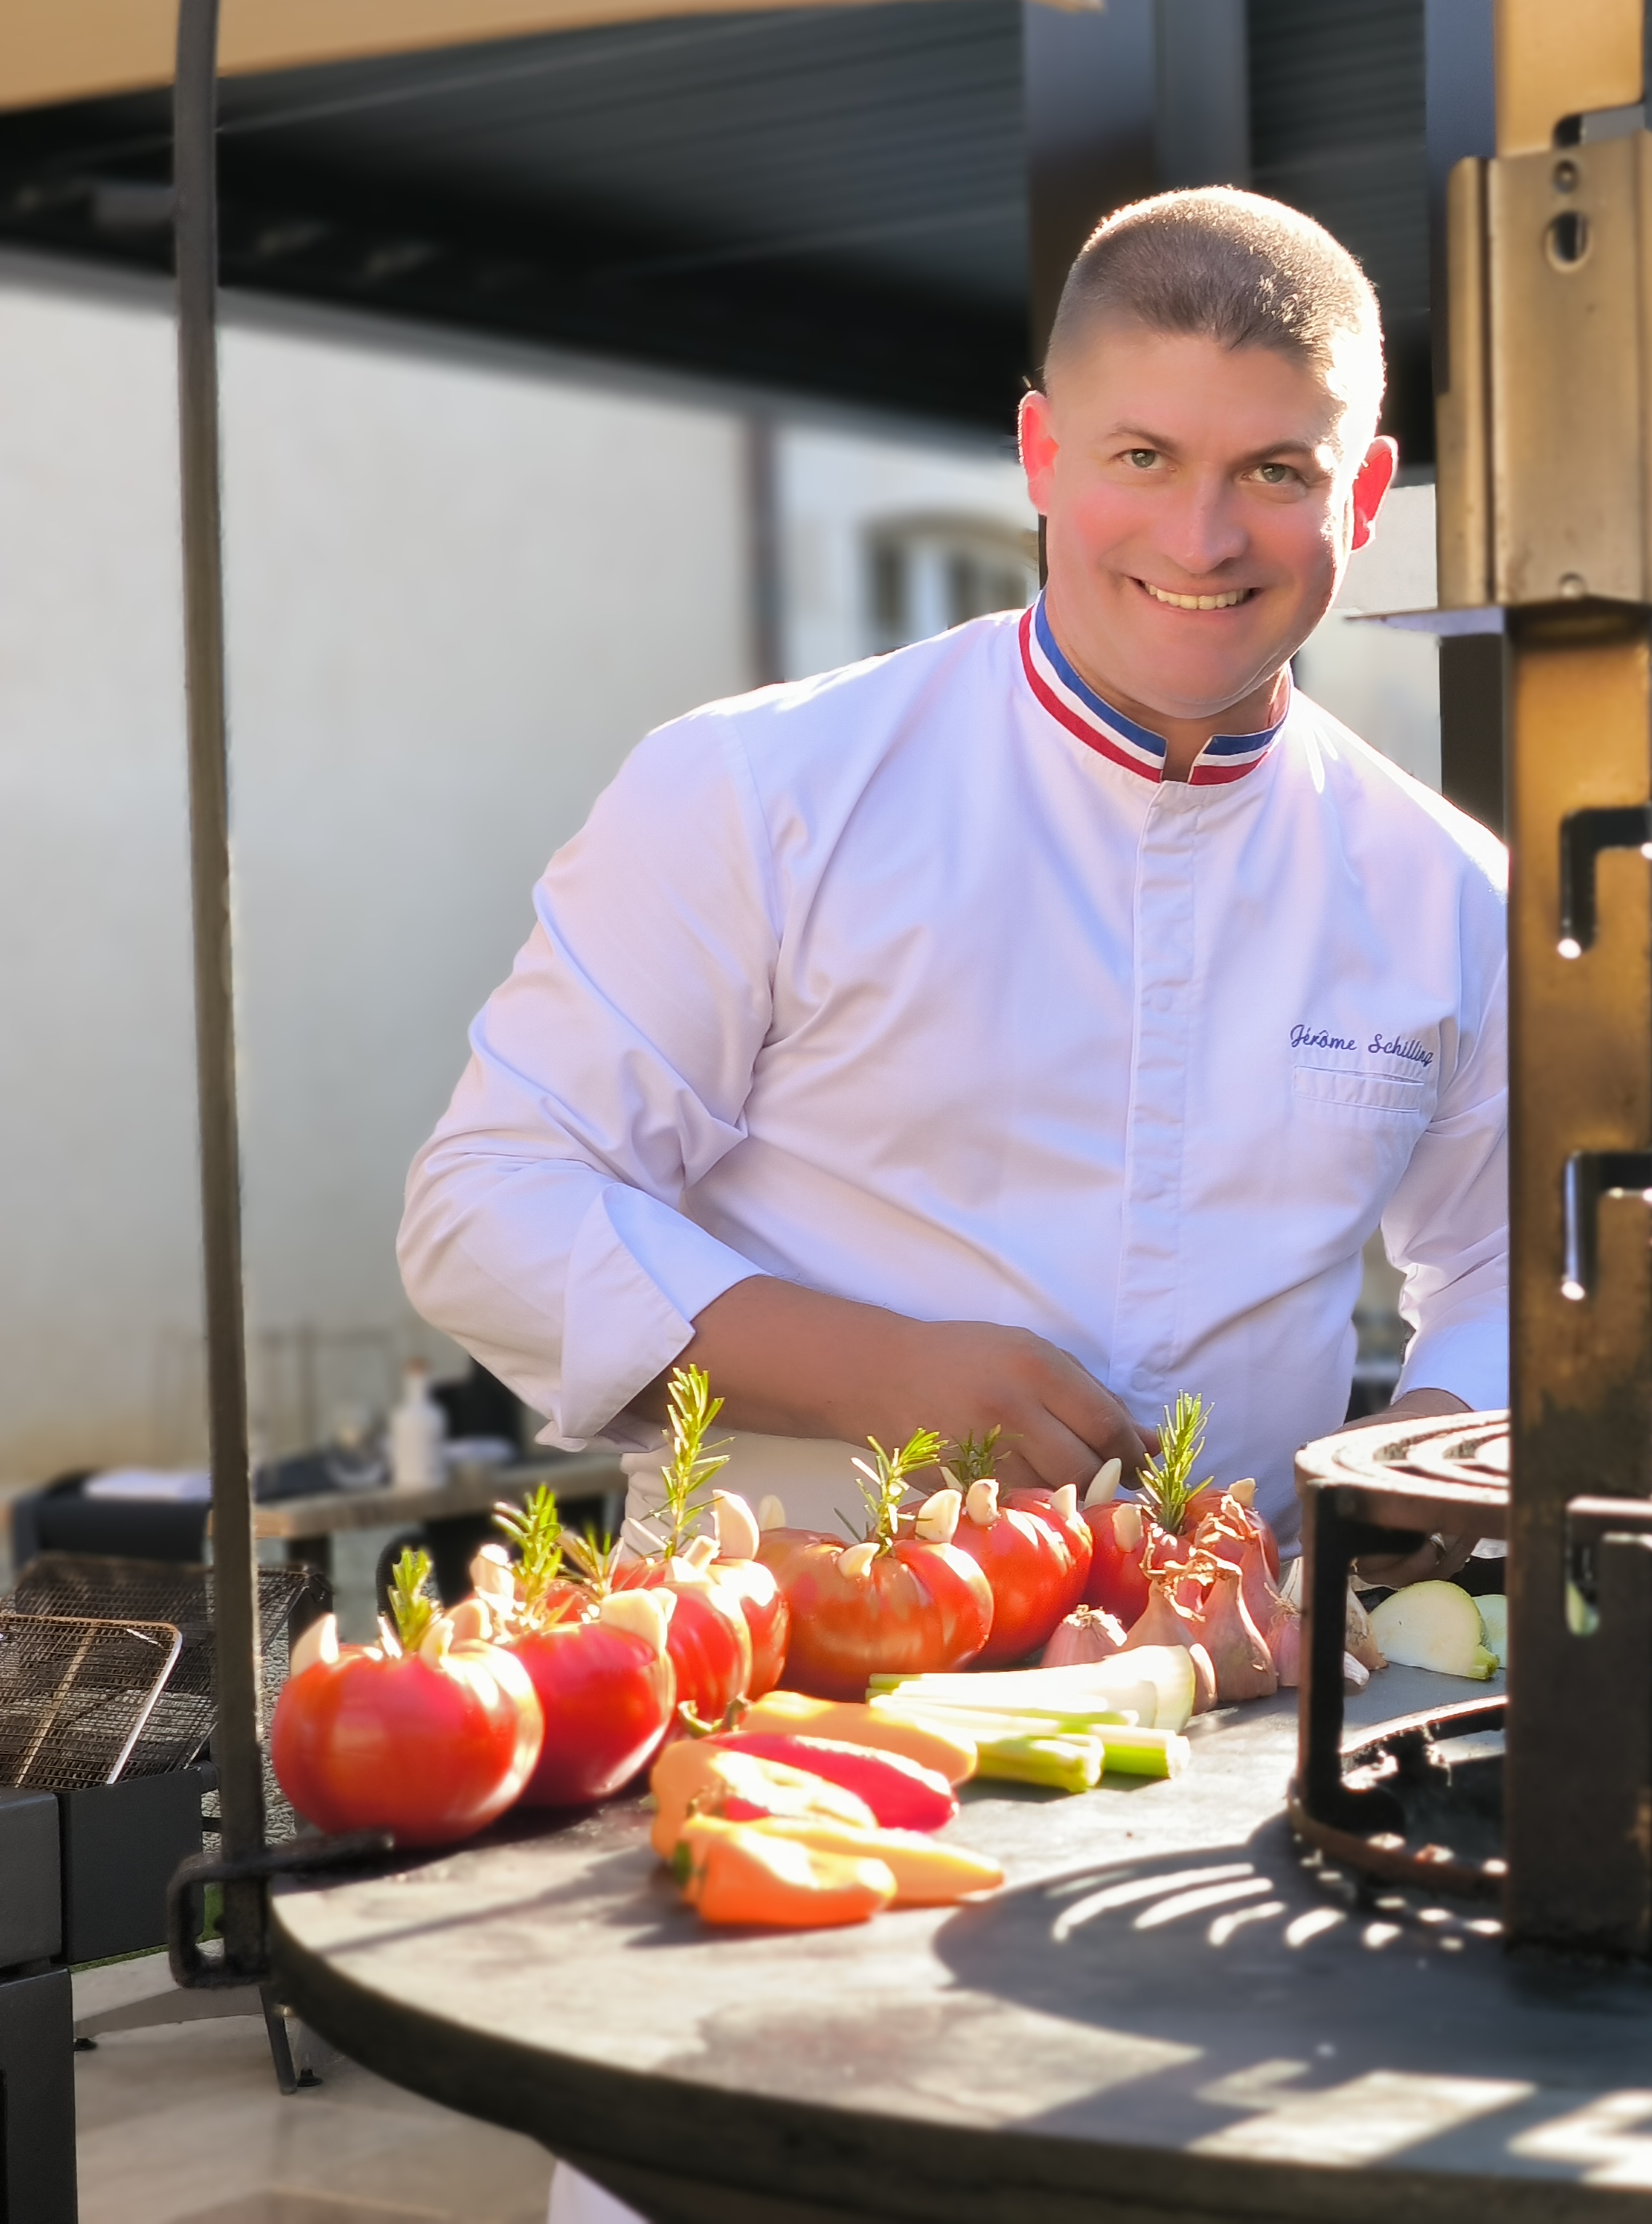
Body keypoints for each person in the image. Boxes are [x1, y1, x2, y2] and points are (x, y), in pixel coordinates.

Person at [400, 185, 1505, 1569]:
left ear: (1364, 493)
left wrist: (1424, 1477)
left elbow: (1509, 1263)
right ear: (1041, 451)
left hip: (1235, 1687)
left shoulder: (1449, 888)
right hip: (779, 1683)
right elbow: (492, 1203)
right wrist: (879, 1373)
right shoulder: (762, 787)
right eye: (1144, 456)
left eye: (1276, 472)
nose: (1203, 538)